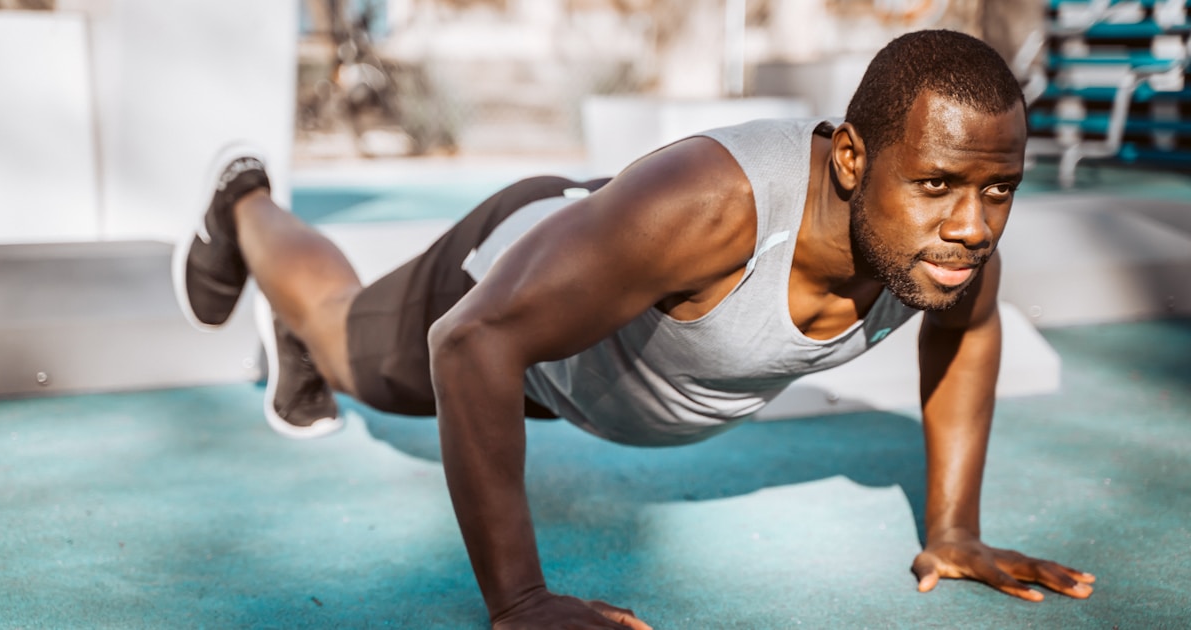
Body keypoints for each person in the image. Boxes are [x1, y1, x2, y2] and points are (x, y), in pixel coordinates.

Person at [174, 29, 1095, 629]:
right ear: (852, 157)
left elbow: (967, 330)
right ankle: (245, 201)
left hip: (586, 376)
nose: (974, 223)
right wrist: (520, 602)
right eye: (937, 183)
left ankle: (286, 309)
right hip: (510, 287)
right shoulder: (713, 205)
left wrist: (954, 529)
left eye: (998, 188)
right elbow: (471, 343)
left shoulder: (946, 251)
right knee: (348, 347)